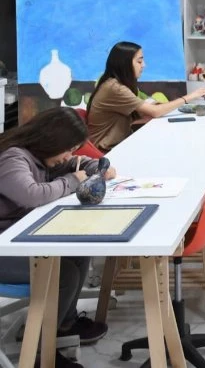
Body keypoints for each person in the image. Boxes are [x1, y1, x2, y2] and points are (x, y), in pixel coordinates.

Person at [0, 108, 116, 367]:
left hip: (14, 238)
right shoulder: (13, 158)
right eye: (67, 149)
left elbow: (74, 164)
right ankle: (42, 352)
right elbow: (32, 195)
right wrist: (73, 180)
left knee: (78, 251)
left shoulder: (40, 157)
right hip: (3, 248)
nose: (68, 156)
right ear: (52, 140)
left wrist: (97, 167)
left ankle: (64, 324)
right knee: (64, 274)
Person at [86, 42, 205, 152]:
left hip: (120, 144)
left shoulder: (116, 84)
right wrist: (189, 97)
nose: (144, 65)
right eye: (139, 61)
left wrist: (158, 107)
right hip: (108, 151)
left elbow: (144, 112)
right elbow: (155, 111)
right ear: (124, 64)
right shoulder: (115, 88)